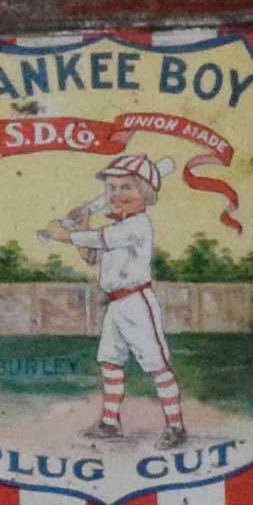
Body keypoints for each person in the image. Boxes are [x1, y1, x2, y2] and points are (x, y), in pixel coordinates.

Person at [40, 154, 185, 446]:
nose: (117, 194)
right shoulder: (118, 225)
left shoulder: (137, 225)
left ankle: (176, 427)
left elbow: (99, 239)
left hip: (137, 302)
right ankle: (110, 423)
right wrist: (83, 219)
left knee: (156, 364)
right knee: (109, 361)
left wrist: (62, 235)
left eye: (126, 187)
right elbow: (91, 256)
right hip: (115, 305)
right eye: (112, 188)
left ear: (146, 193)